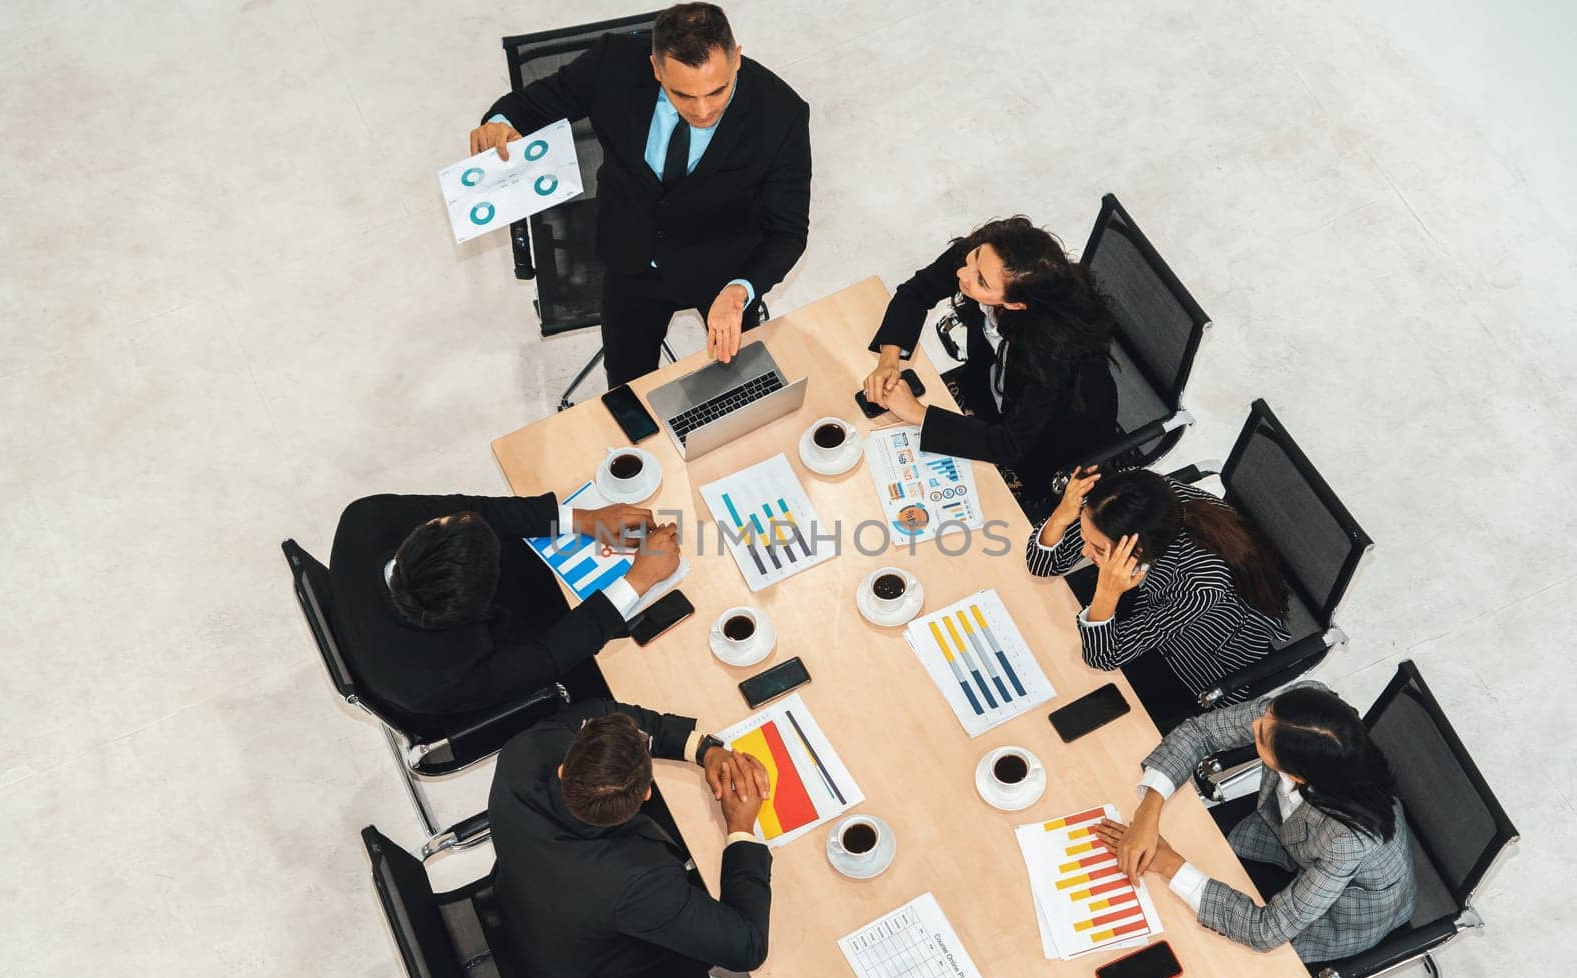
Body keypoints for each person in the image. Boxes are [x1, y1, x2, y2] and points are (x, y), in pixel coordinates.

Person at [470, 3, 811, 385]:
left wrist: (740, 290)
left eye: (718, 91)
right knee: (626, 391)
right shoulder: (610, 64)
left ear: (737, 60)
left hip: (724, 266)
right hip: (631, 258)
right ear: (655, 68)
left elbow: (788, 232)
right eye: (682, 95)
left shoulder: (781, 114)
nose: (702, 111)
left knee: (744, 388)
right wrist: (500, 123)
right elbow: (532, 104)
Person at [488, 697, 773, 978]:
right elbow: (747, 947)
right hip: (585, 975)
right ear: (646, 795)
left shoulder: (523, 752)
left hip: (526, 897)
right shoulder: (639, 882)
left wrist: (704, 749)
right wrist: (740, 827)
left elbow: (605, 712)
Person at [1095, 683, 1417, 962]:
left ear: (1296, 774)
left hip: (1346, 914)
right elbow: (1201, 731)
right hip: (1284, 839)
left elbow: (1264, 931)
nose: (1254, 725)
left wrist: (1169, 864)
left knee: (1201, 950)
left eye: (1262, 735)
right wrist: (1148, 812)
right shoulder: (1296, 714)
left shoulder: (1346, 842)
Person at [328, 492, 679, 725]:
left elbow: (474, 510)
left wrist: (581, 519)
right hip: (474, 689)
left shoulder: (366, 517)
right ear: (481, 610)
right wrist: (639, 580)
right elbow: (548, 656)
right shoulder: (442, 679)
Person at [863, 216, 1116, 516]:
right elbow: (917, 292)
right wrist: (890, 359)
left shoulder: (1052, 354)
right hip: (990, 390)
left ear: (1015, 304)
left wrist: (918, 415)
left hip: (1049, 441)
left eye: (981, 281)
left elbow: (1010, 443)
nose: (962, 273)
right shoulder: (992, 256)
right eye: (974, 258)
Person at [1025, 467, 1290, 730]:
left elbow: (1102, 657)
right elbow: (1042, 565)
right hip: (1149, 600)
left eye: (1096, 548)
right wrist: (1062, 516)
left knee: (1067, 702)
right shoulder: (1126, 503)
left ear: (1136, 550)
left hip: (1194, 659)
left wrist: (1107, 592)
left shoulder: (1201, 585)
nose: (1085, 550)